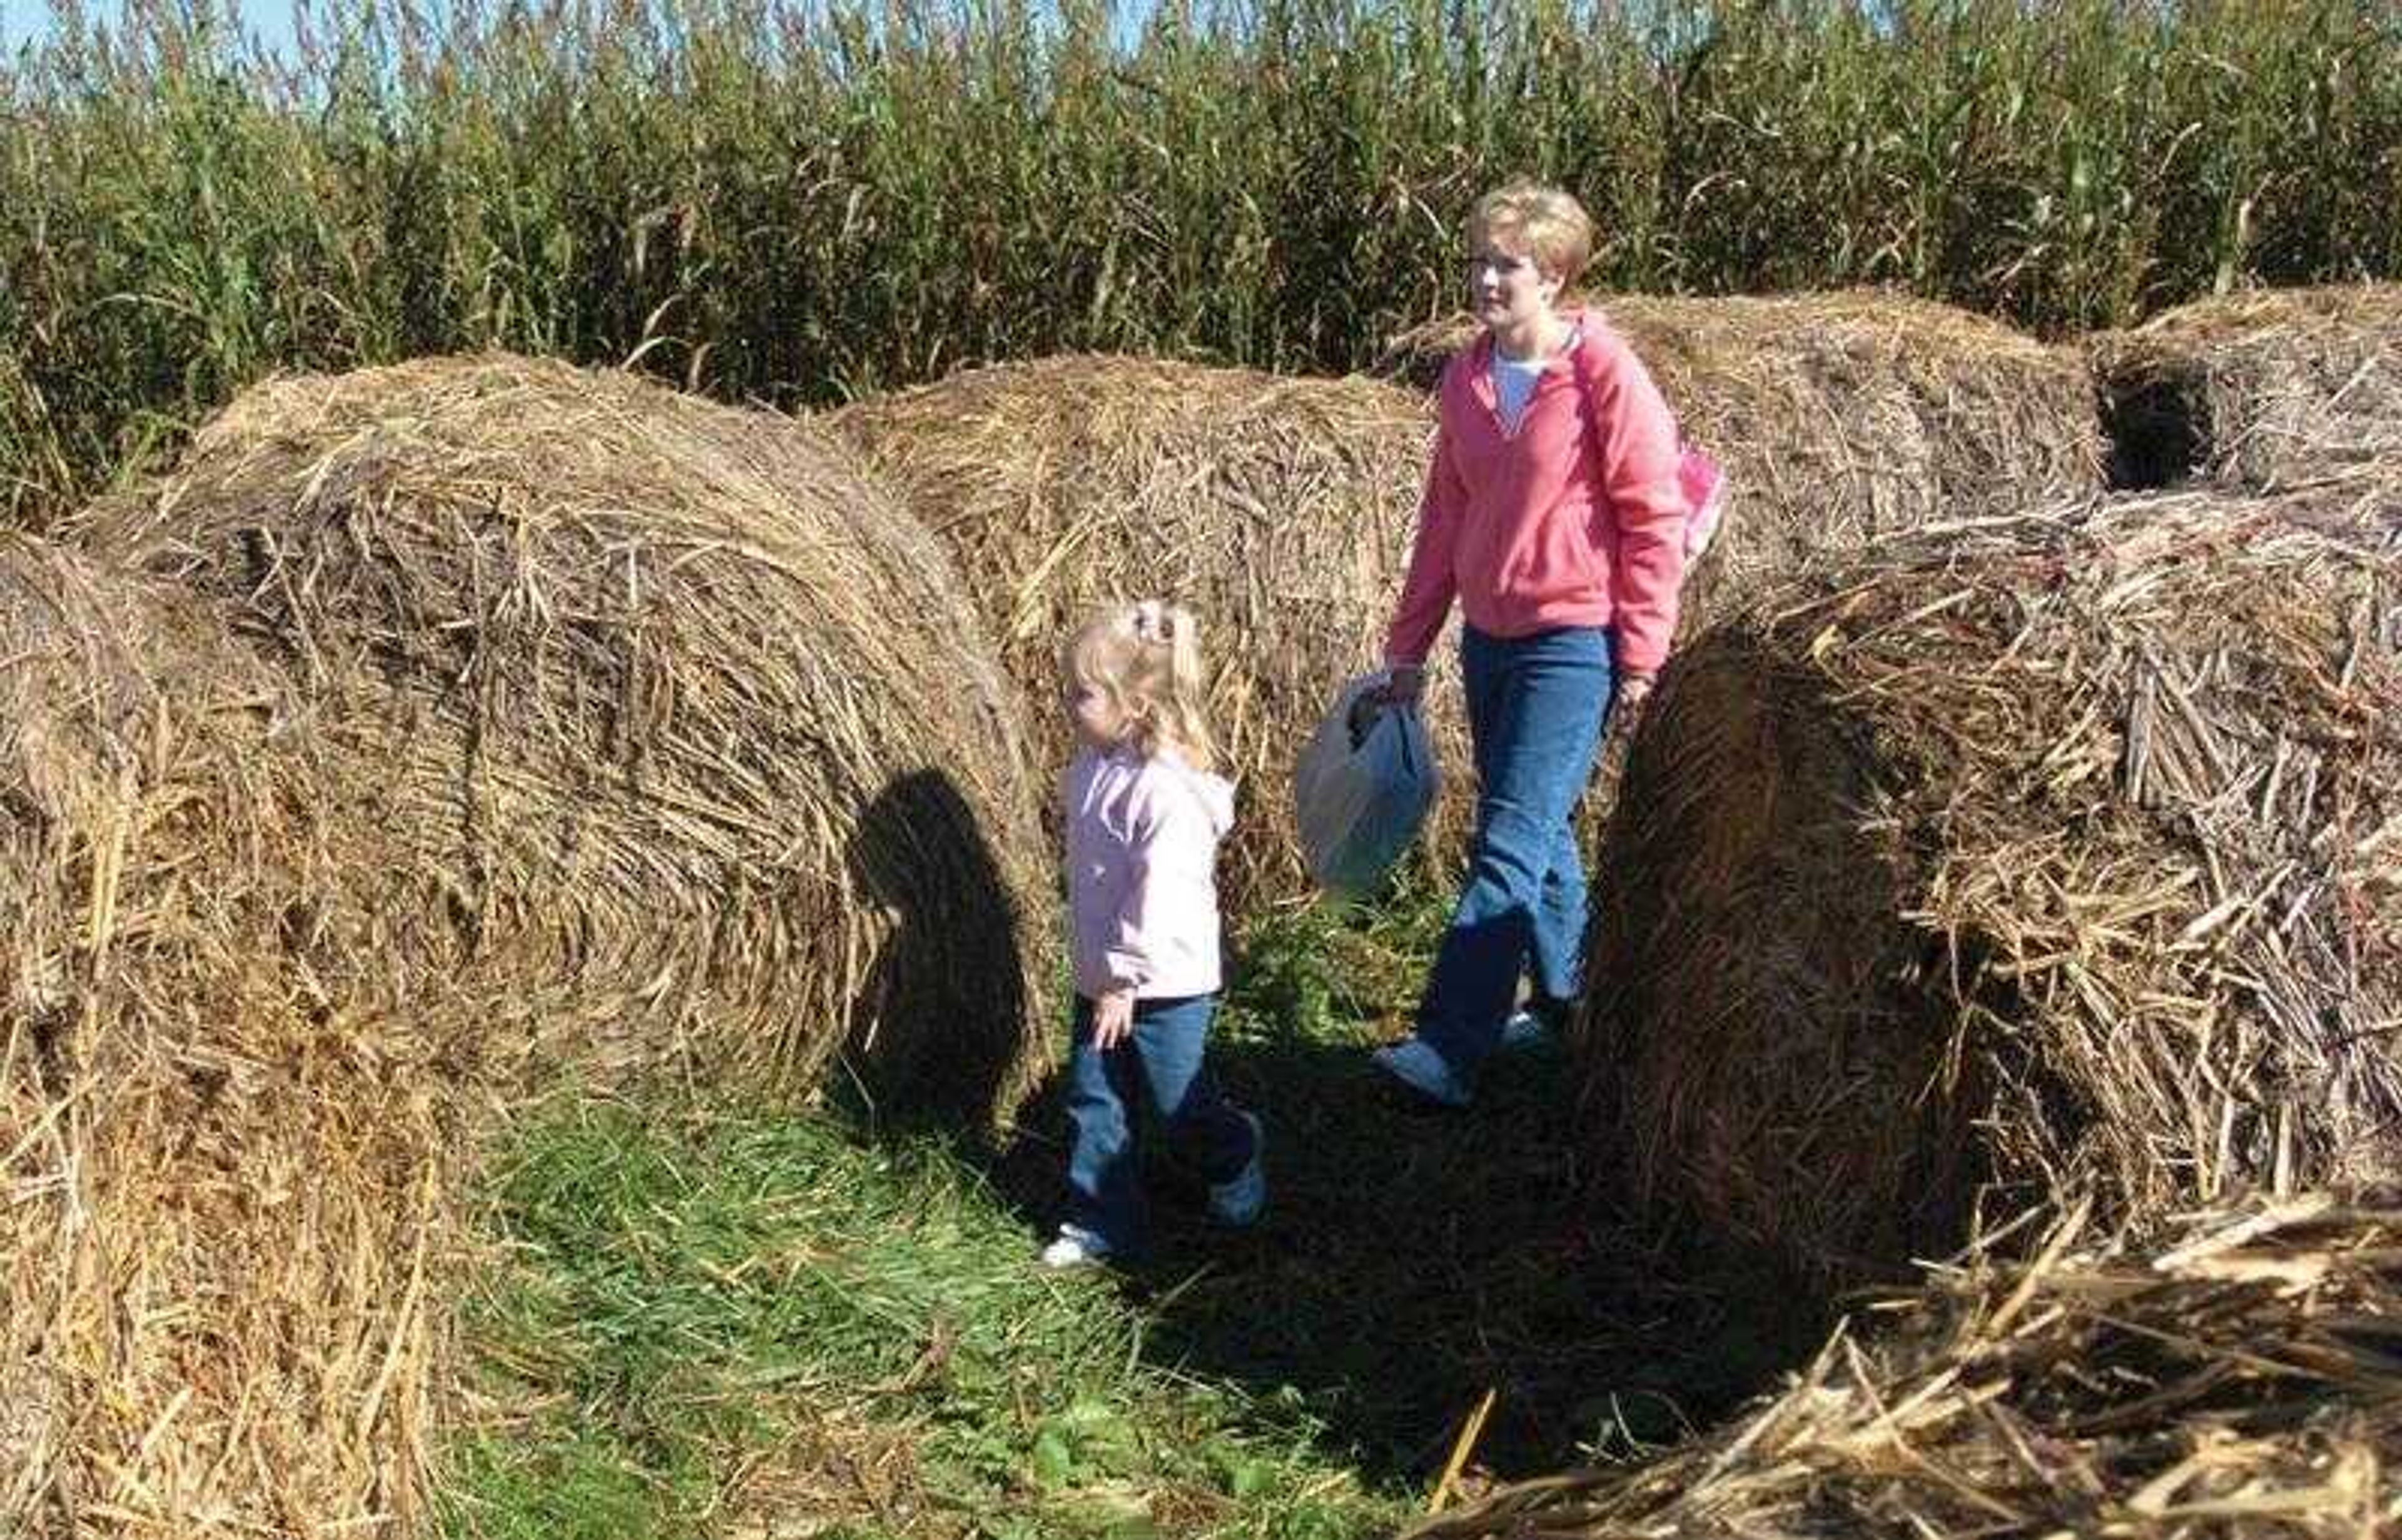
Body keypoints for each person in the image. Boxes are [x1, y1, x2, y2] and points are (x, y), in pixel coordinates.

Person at [1362, 180, 1690, 1109]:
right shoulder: (1466, 377)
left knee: (1505, 842)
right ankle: (1573, 1008)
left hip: (1571, 642)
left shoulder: (1602, 372)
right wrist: (1409, 645)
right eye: (1479, 262)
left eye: (1504, 264)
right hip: (1489, 641)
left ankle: (1449, 1045)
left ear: (1552, 274)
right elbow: (1444, 518)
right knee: (1539, 840)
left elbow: (1653, 514)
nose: (1485, 279)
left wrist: (1641, 653)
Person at [1045, 599, 1265, 1268]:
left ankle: (1235, 1151)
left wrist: (1122, 977)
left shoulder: (1164, 791)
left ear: (1134, 702)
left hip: (1161, 977)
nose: (1067, 703)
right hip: (1102, 976)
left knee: (1177, 1101)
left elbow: (1160, 898)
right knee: (1095, 1096)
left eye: (1082, 693)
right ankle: (1099, 1220)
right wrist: (1100, 972)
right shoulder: (1092, 766)